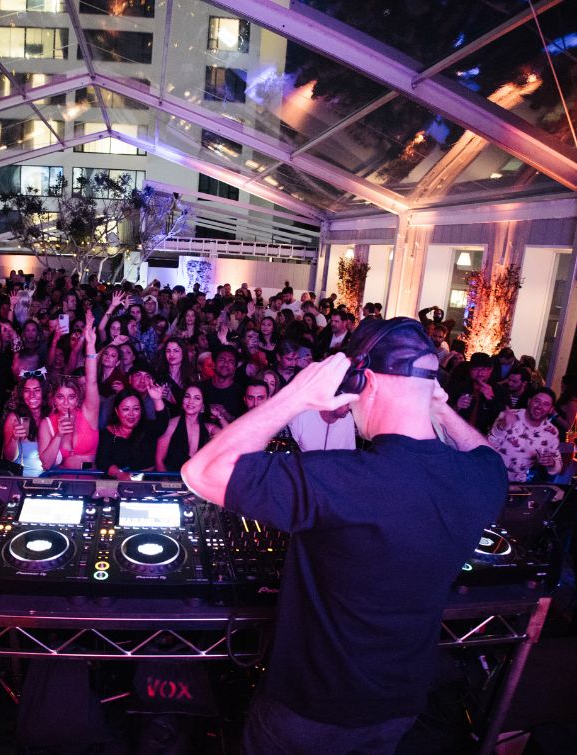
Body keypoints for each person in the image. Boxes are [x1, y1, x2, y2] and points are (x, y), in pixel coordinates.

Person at [182, 316, 507, 755]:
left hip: (309, 711)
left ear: (365, 380)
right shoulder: (480, 481)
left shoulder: (341, 480)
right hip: (400, 705)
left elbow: (200, 472)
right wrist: (439, 408)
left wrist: (295, 395)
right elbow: (487, 454)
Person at [38, 311, 100, 470]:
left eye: (71, 397)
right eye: (60, 397)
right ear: (53, 399)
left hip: (89, 482)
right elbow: (46, 464)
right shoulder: (47, 423)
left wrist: (90, 346)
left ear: (78, 398)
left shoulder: (88, 413)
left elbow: (91, 381)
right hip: (61, 484)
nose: (66, 402)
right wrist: (58, 434)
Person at [488, 388, 562, 482]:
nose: (540, 406)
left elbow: (558, 467)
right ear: (529, 401)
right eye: (537, 401)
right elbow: (488, 446)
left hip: (517, 484)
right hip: (491, 476)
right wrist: (502, 426)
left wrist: (552, 463)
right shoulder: (510, 415)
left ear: (551, 410)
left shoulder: (551, 431)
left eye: (546, 404)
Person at [95, 384, 168, 478]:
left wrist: (157, 399)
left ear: (141, 410)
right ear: (117, 411)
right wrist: (120, 474)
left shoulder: (148, 428)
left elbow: (162, 423)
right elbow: (102, 460)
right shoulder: (107, 433)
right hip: (116, 484)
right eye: (126, 409)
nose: (131, 414)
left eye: (136, 409)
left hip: (146, 482)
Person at [155, 384, 223, 472]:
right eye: (187, 396)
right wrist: (167, 483)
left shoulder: (208, 427)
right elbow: (159, 460)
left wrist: (219, 416)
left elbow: (231, 438)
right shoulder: (172, 424)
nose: (191, 401)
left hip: (196, 482)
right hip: (173, 480)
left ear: (203, 405)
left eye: (197, 398)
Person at [1, 376, 50, 477]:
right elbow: (10, 458)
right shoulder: (15, 418)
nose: (32, 395)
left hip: (51, 479)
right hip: (23, 481)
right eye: (27, 391)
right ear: (21, 394)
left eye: (37, 390)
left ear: (44, 392)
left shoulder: (51, 416)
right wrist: (14, 438)